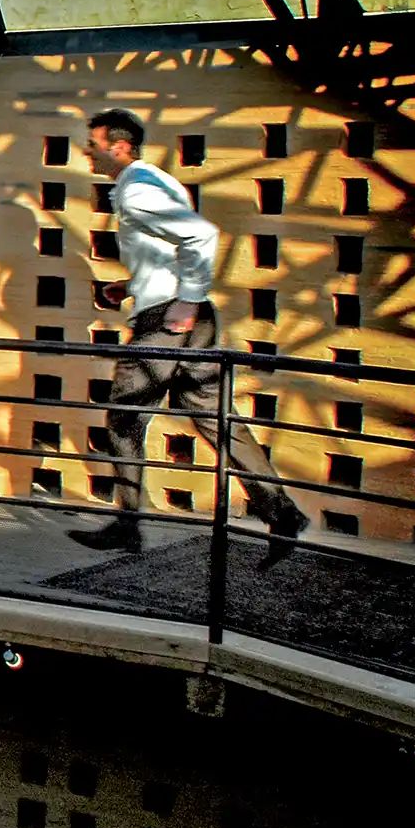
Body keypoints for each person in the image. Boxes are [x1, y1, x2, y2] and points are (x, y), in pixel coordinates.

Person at [76, 109, 309, 552]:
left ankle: (127, 525)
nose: (87, 151)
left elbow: (199, 235)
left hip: (167, 320)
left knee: (124, 419)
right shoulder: (160, 181)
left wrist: (182, 300)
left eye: (93, 142)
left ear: (118, 147)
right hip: (190, 317)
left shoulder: (137, 191)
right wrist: (131, 285)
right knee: (213, 416)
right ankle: (281, 511)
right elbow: (171, 249)